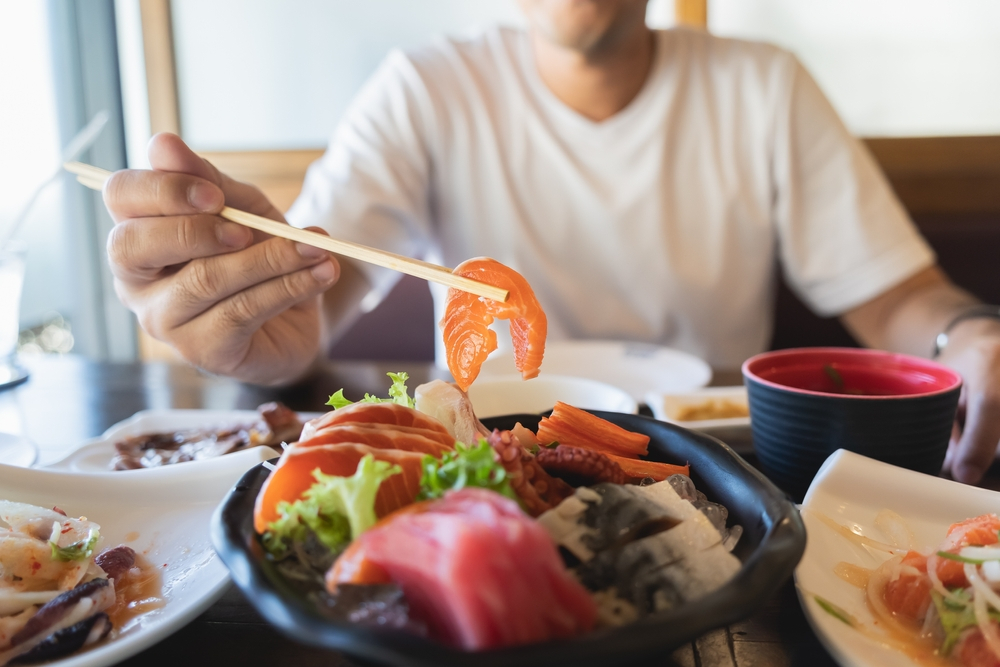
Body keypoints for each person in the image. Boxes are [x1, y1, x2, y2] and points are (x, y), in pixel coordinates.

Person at [103, 0, 1000, 484]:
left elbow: (895, 296)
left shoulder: (764, 86)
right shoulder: (425, 89)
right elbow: (317, 277)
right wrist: (259, 319)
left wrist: (966, 331)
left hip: (722, 477)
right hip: (488, 467)